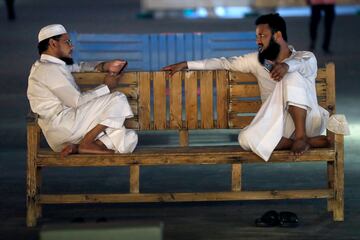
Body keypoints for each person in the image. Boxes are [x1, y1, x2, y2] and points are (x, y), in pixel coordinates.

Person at [162, 13, 330, 161]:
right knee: (245, 138)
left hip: (308, 120)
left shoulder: (306, 57)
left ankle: (301, 135)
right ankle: (304, 141)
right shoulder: (257, 61)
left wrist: (286, 66)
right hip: (280, 126)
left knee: (291, 74)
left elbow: (298, 64)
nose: (258, 40)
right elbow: (224, 62)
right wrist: (187, 64)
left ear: (277, 35)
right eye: (257, 36)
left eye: (262, 36)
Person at [27, 24, 138, 157]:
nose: (71, 46)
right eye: (67, 42)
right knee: (117, 98)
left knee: (130, 137)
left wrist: (106, 65)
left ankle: (78, 148)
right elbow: (77, 101)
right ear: (53, 43)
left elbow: (80, 67)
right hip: (63, 127)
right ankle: (87, 142)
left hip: (73, 128)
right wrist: (107, 87)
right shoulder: (47, 70)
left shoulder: (54, 65)